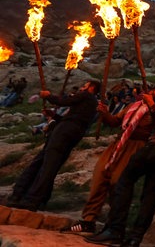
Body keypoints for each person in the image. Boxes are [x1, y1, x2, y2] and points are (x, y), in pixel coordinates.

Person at [86, 90, 155, 246]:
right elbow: (116, 121)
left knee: (124, 180)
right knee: (150, 193)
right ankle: (135, 238)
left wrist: (151, 103)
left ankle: (115, 230)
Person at [61, 86, 155, 234]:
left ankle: (113, 225)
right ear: (151, 91)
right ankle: (88, 220)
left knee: (118, 182)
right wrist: (104, 113)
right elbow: (115, 121)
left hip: (135, 146)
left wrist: (151, 104)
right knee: (100, 175)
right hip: (119, 143)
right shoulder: (132, 106)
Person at [8, 80, 100, 211]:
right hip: (68, 132)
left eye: (85, 85)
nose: (82, 87)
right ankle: (25, 195)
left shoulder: (87, 96)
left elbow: (64, 102)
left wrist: (47, 95)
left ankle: (31, 199)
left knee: (47, 165)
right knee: (46, 163)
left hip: (64, 133)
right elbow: (71, 118)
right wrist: (54, 116)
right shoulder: (89, 102)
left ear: (91, 88)